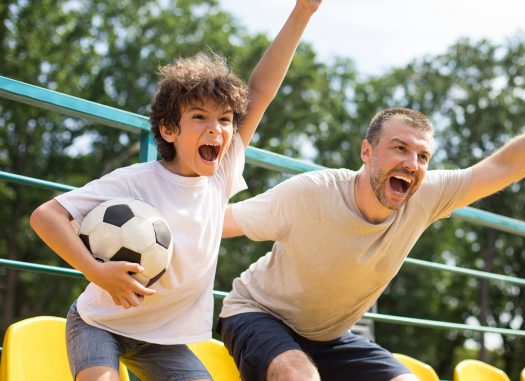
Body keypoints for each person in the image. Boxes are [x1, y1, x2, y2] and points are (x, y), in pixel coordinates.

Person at [217, 43, 525, 381]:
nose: (412, 163)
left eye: (423, 155)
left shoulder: (426, 195)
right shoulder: (311, 193)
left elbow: (504, 166)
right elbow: (218, 223)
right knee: (297, 376)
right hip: (257, 314)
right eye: (399, 148)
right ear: (367, 152)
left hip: (329, 337)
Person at [29, 1, 322, 380]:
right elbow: (46, 216)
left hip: (162, 341)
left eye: (225, 120)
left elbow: (260, 90)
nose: (215, 128)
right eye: (199, 117)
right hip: (99, 324)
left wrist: (303, 12)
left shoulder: (221, 175)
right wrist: (96, 273)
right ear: (169, 130)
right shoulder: (135, 180)